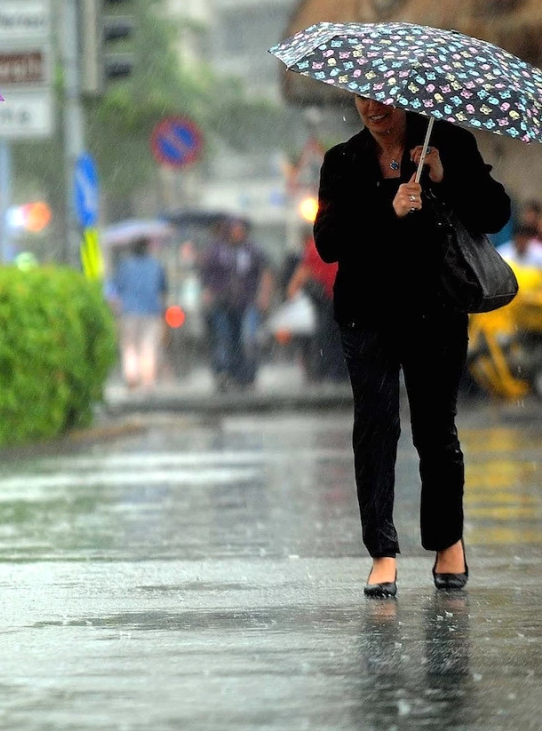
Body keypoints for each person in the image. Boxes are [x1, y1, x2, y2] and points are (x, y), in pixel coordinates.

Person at [315, 95, 510, 598]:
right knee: (375, 430)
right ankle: (382, 552)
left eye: (384, 101)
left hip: (435, 311)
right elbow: (329, 241)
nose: (373, 109)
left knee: (435, 432)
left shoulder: (446, 143)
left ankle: (448, 543)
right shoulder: (343, 160)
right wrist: (389, 207)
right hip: (367, 315)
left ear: (406, 99)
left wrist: (448, 178)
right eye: (363, 99)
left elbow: (494, 213)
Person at [198, 218, 273, 390]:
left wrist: (264, 295)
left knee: (247, 338)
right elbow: (205, 273)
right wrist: (208, 291)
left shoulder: (252, 250)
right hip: (221, 302)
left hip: (247, 301)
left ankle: (247, 374)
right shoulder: (216, 251)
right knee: (224, 338)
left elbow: (265, 271)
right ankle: (224, 373)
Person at [285, 231, 346, 382]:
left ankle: (329, 372)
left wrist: (292, 292)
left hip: (328, 299)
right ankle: (340, 372)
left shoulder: (315, 248)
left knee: (327, 337)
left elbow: (303, 273)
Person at [108, 238, 167, 390]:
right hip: (151, 310)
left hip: (129, 311)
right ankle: (148, 380)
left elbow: (115, 288)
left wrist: (115, 305)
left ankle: (132, 376)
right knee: (149, 346)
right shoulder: (155, 265)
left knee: (129, 346)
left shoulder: (125, 266)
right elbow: (163, 288)